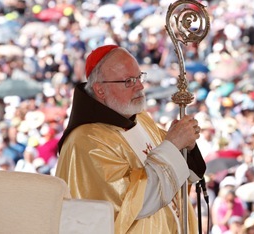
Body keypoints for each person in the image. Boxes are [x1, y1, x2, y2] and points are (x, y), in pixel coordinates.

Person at [55, 45, 206, 233]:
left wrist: (187, 148)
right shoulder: (85, 142)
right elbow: (131, 204)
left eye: (139, 77)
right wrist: (173, 146)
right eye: (128, 81)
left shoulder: (140, 119)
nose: (140, 86)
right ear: (100, 90)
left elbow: (177, 180)